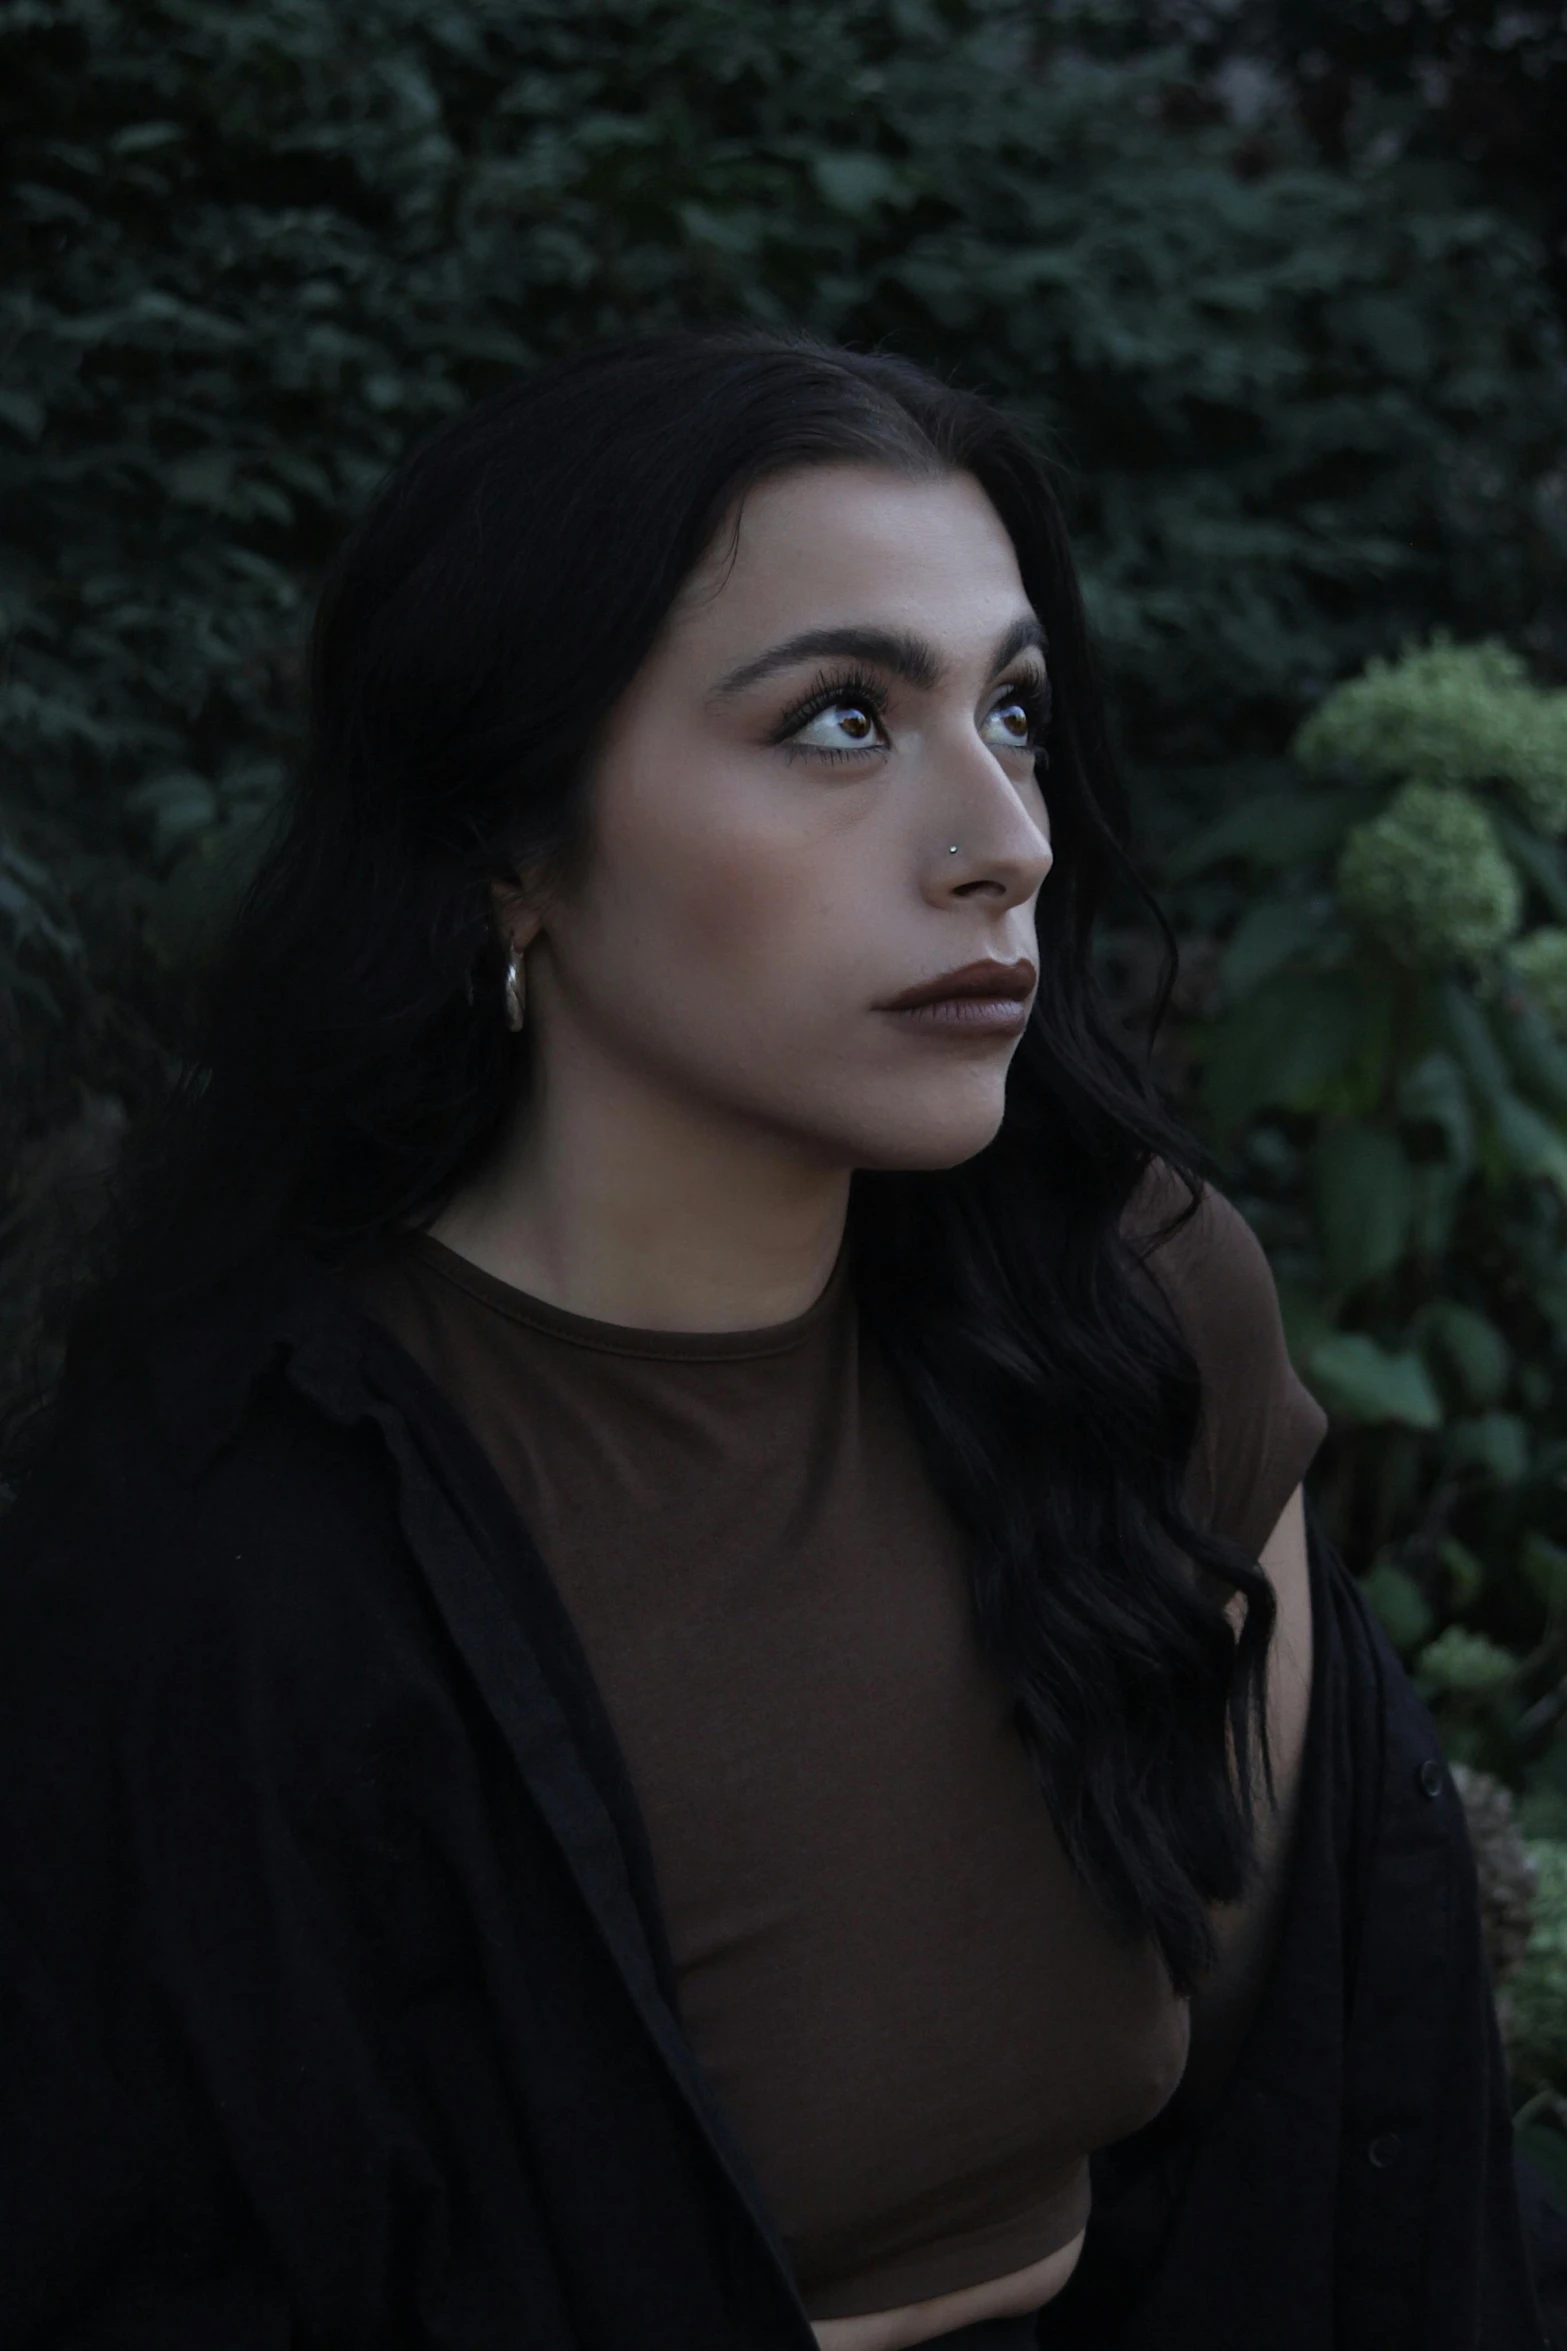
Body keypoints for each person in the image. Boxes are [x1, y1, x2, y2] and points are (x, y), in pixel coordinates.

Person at [0, 333, 1549, 2350]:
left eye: (1014, 710)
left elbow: (1309, 2101)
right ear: (510, 845)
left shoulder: (1137, 1308)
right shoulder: (249, 1539)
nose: (1008, 836)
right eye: (841, 718)